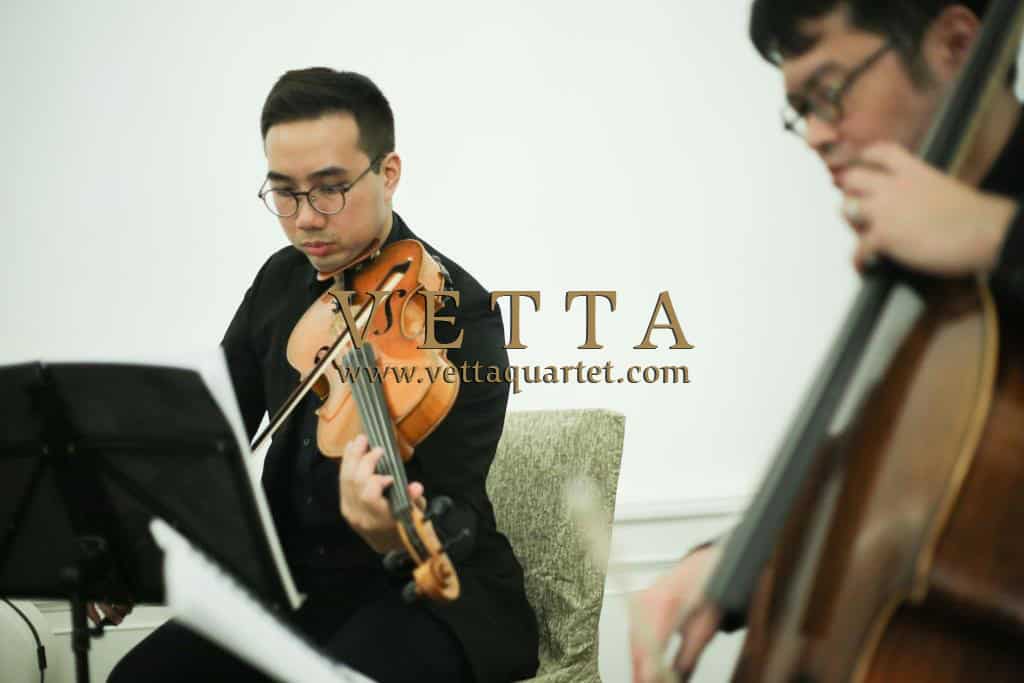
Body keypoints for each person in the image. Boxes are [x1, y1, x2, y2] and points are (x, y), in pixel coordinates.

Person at [631, 1, 1024, 680]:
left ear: (958, 43)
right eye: (800, 108)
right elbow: (888, 498)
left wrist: (998, 234)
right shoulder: (917, 268)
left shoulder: (971, 240)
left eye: (830, 92)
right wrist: (729, 559)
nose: (814, 133)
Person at [106, 68, 539, 683]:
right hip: (291, 589)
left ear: (387, 173)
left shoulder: (458, 313)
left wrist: (391, 530)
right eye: (283, 192)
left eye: (330, 189)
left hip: (423, 600)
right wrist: (131, 542)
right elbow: (213, 433)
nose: (305, 218)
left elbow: (458, 501)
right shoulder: (280, 282)